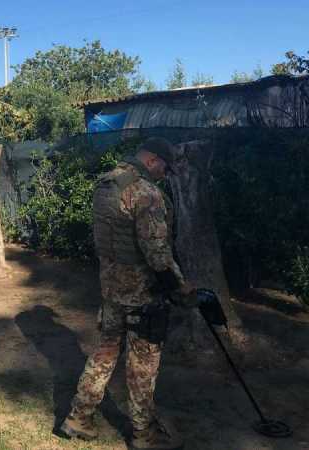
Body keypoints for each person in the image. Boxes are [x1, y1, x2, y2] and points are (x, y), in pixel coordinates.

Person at [59, 137, 197, 450]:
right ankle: (144, 434)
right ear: (152, 160)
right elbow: (157, 254)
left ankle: (78, 417)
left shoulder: (106, 184)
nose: (165, 175)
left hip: (111, 288)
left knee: (105, 352)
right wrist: (179, 286)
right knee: (143, 363)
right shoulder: (145, 193)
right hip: (142, 295)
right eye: (164, 168)